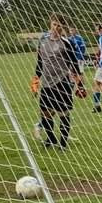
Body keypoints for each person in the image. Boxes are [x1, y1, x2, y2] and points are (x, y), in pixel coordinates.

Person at [32, 14, 82, 149]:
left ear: (63, 27)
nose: (56, 27)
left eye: (59, 25)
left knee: (63, 113)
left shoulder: (67, 42)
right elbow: (40, 62)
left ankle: (63, 143)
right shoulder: (42, 41)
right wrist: (35, 81)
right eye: (54, 24)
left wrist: (80, 84)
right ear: (50, 24)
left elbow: (74, 63)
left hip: (62, 81)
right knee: (44, 112)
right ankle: (51, 138)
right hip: (47, 83)